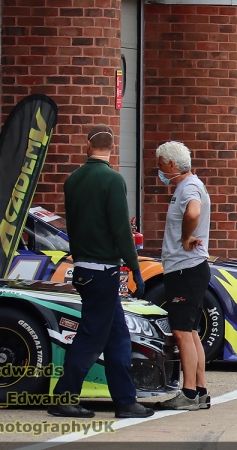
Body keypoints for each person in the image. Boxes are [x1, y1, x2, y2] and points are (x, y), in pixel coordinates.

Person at [49, 125, 152, 419]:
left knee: (117, 335)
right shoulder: (113, 180)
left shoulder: (73, 180)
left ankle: (125, 400)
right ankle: (65, 396)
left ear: (87, 145)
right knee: (92, 336)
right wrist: (135, 268)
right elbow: (122, 231)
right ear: (112, 147)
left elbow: (73, 224)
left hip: (83, 267)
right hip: (104, 270)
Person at [155, 141, 211, 411]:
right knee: (190, 331)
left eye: (160, 165)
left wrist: (187, 236)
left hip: (185, 268)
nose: (159, 170)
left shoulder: (188, 186)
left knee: (181, 331)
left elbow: (194, 211)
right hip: (189, 268)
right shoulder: (188, 185)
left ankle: (188, 392)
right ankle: (199, 389)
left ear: (171, 165)